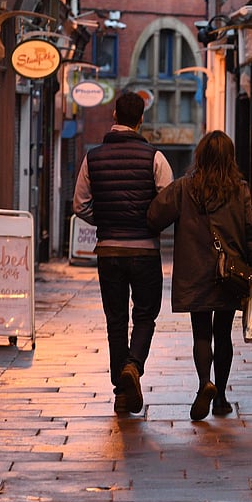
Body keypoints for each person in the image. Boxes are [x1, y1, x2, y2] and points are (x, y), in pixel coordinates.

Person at [148, 130, 252, 421]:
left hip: (195, 272)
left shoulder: (184, 188)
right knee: (223, 334)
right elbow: (250, 232)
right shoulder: (240, 189)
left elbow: (154, 217)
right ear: (229, 158)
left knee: (201, 333)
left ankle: (204, 384)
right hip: (229, 273)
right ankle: (221, 397)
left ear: (201, 156)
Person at [73, 91, 173, 416]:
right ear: (141, 119)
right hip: (145, 252)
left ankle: (121, 392)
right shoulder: (155, 158)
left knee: (116, 320)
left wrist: (104, 219)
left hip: (109, 251)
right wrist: (149, 224)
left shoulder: (93, 157)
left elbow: (79, 205)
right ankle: (134, 366)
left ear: (114, 115)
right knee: (145, 314)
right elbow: (168, 202)